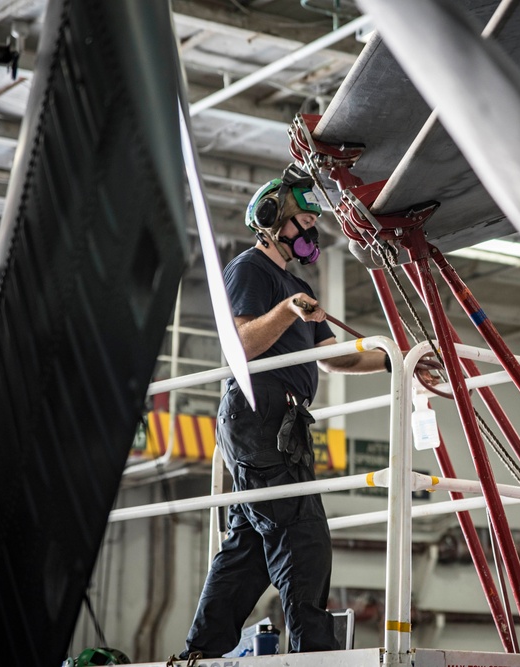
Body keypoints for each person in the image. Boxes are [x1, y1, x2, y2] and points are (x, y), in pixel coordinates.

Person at [180, 164, 389, 658]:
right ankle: (312, 655)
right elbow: (240, 344)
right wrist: (287, 310)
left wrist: (395, 362)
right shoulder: (251, 271)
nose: (312, 231)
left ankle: (200, 654)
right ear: (273, 223)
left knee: (249, 549)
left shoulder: (297, 289)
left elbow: (336, 358)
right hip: (260, 413)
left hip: (283, 422)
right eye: (303, 223)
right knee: (302, 536)